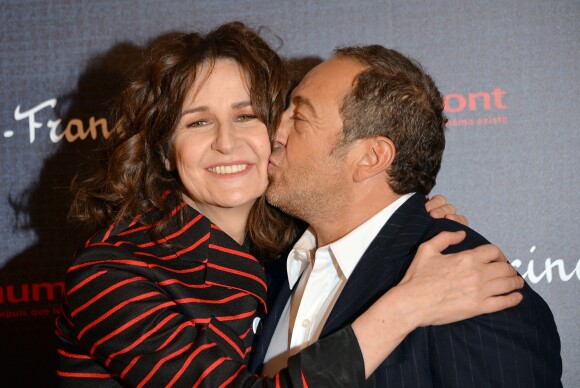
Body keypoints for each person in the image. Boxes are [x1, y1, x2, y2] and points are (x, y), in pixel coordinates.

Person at [55, 23, 523, 387]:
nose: (227, 143)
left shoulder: (283, 260)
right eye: (198, 123)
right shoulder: (112, 271)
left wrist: (412, 222)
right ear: (162, 149)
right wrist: (407, 307)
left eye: (246, 116)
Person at [255, 44, 562, 386]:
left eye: (299, 118)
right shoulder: (269, 270)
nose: (272, 133)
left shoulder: (477, 294)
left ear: (371, 157)